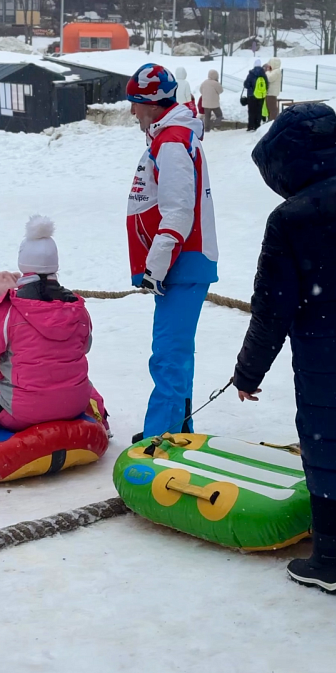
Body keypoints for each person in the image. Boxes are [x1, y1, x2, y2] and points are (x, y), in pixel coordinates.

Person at [233, 103, 336, 594]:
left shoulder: (291, 218)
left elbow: (272, 308)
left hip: (329, 364)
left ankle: (329, 560)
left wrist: (248, 373)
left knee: (335, 448)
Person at [0, 215, 109, 478]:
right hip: (72, 404)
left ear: (23, 265)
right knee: (67, 369)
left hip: (21, 413)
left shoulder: (8, 309)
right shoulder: (76, 307)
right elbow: (84, 346)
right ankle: (103, 421)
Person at [126, 63, 219, 442]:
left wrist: (157, 265)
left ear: (150, 103)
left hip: (181, 263)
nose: (132, 111)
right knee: (176, 354)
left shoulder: (172, 141)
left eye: (135, 103)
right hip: (180, 264)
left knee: (167, 355)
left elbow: (179, 209)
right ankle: (178, 429)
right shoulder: (169, 137)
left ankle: (159, 441)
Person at [244, 58, 268, 132]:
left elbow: (246, 84)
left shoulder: (251, 74)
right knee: (259, 110)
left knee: (251, 111)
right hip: (260, 95)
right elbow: (267, 84)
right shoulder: (263, 74)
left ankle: (251, 126)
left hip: (251, 95)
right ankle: (257, 125)